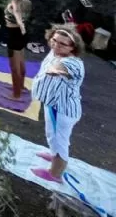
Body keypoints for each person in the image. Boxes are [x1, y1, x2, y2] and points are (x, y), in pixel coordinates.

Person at [31, 25, 85, 183]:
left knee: (60, 140)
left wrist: (54, 69)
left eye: (62, 44)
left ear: (73, 48)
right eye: (54, 41)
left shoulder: (73, 63)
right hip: (53, 105)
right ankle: (54, 155)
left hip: (62, 110)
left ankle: (55, 174)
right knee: (52, 135)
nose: (56, 45)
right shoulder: (55, 51)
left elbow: (60, 68)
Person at [5, 0, 32, 99]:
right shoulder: (26, 1)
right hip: (21, 35)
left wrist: (21, 25)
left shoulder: (15, 2)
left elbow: (16, 12)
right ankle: (20, 87)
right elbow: (24, 0)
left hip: (14, 34)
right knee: (21, 60)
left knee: (14, 66)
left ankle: (16, 95)